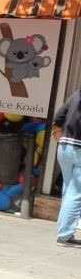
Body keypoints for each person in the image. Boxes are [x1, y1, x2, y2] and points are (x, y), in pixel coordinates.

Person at [53, 92, 81, 247]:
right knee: (76, 194)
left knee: (69, 191)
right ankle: (64, 236)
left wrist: (59, 134)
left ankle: (63, 231)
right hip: (79, 149)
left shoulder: (77, 94)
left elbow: (59, 116)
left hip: (64, 148)